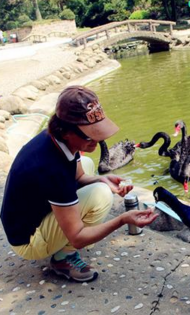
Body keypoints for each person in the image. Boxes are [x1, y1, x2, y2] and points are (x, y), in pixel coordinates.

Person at [0, 85, 158, 282]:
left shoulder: (56, 139)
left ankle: (61, 241)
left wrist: (103, 179)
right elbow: (78, 237)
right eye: (89, 136)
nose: (97, 142)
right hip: (29, 240)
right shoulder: (53, 168)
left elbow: (80, 176)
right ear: (66, 131)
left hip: (31, 214)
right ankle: (63, 258)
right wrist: (123, 220)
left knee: (88, 163)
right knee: (100, 196)